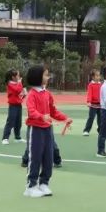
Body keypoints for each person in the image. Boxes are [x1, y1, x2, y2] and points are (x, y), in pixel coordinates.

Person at [23, 65, 71, 199]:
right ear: (38, 77)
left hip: (47, 129)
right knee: (35, 157)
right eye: (45, 75)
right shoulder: (32, 94)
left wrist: (65, 118)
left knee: (48, 157)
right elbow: (31, 111)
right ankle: (31, 186)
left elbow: (53, 111)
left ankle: (44, 183)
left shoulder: (47, 94)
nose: (48, 77)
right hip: (35, 129)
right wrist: (41, 116)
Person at [0, 69, 26, 146]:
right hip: (13, 106)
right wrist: (20, 82)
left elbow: (21, 93)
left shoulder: (17, 83)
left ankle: (17, 137)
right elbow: (17, 90)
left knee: (18, 122)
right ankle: (5, 138)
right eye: (17, 75)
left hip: (19, 105)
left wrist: (24, 94)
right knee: (10, 122)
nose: (19, 76)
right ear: (13, 77)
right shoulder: (10, 84)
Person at [82, 69, 102, 136]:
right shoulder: (91, 85)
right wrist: (89, 101)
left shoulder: (101, 84)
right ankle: (86, 130)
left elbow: (103, 94)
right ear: (93, 77)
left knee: (100, 119)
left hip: (100, 105)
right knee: (91, 118)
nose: (98, 77)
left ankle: (100, 130)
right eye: (97, 76)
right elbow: (89, 94)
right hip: (93, 105)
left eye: (99, 75)